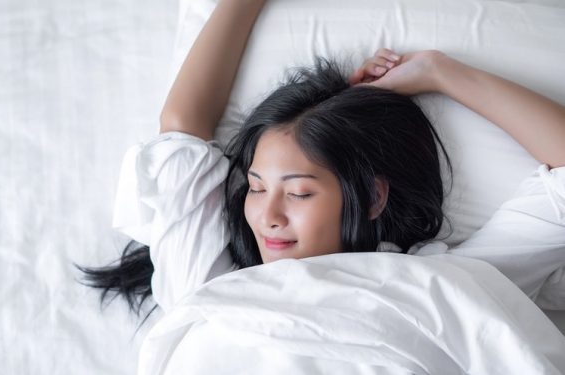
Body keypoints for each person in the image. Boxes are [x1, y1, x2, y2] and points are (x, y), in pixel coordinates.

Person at [79, 0, 565, 323]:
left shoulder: (440, 285)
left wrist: (441, 71)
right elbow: (180, 129)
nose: (267, 216)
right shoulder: (210, 289)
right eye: (255, 186)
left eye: (298, 192)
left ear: (373, 196)